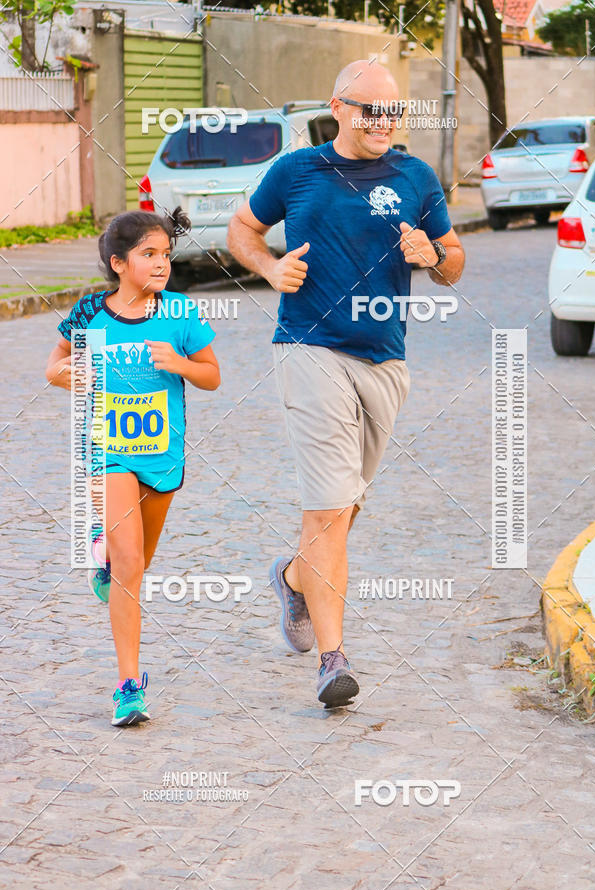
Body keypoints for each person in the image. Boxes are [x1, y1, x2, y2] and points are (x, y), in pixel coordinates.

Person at [227, 59, 465, 708]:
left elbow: (455, 261)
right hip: (309, 349)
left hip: (385, 361)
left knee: (345, 510)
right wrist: (269, 269)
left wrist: (434, 258)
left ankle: (294, 578)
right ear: (339, 107)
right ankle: (333, 662)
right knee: (329, 506)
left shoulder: (415, 177)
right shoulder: (296, 171)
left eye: (395, 111)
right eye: (371, 110)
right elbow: (242, 230)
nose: (385, 122)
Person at [45, 207, 220, 726]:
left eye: (166, 254)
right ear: (119, 263)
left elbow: (212, 377)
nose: (162, 263)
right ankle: (128, 685)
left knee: (136, 564)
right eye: (149, 254)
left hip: (163, 458)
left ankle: (107, 568)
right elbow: (53, 365)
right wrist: (78, 376)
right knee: (129, 567)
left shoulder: (181, 316)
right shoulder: (90, 314)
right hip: (108, 452)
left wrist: (181, 364)